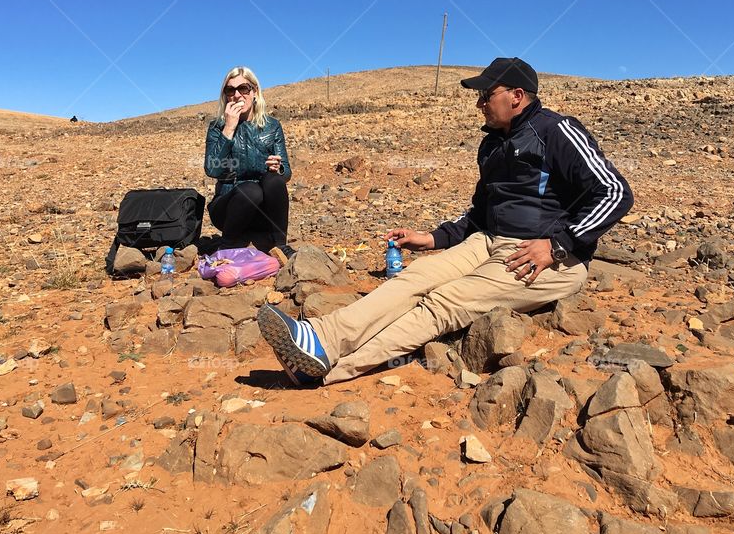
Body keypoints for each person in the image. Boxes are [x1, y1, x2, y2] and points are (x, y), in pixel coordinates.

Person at [258, 57, 633, 385]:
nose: (479, 103)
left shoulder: (557, 131)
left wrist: (557, 245)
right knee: (413, 279)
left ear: (516, 96)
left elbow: (615, 192)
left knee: (444, 302)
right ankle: (320, 339)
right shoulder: (491, 144)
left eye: (487, 95)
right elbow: (479, 213)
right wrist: (432, 238)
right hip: (487, 240)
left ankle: (327, 371)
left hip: (542, 256)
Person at [204, 66, 295, 263]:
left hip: (263, 211)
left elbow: (286, 171)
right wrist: (229, 127)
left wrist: (277, 168)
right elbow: (212, 169)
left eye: (243, 89)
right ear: (225, 96)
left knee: (275, 181)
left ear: (254, 92)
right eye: (230, 90)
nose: (237, 95)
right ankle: (227, 245)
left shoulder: (271, 126)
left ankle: (280, 245)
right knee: (251, 189)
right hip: (229, 208)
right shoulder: (217, 127)